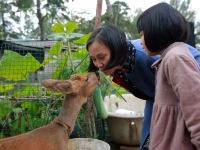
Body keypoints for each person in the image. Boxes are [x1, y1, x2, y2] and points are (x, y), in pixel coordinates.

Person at [86, 24, 200, 149]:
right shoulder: (119, 62)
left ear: (116, 48)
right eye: (93, 59)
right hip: (156, 99)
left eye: (101, 57)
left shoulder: (147, 57)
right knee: (148, 143)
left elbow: (192, 99)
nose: (98, 64)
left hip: (185, 95)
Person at [137, 2, 200, 150]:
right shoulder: (168, 57)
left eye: (142, 34)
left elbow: (196, 107)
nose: (140, 42)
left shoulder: (175, 58)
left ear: (157, 30)